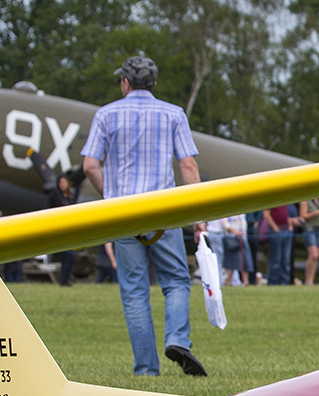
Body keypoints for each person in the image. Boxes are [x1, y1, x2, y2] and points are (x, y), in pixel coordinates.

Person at [81, 56, 206, 377]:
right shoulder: (173, 114)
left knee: (135, 291)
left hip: (124, 213)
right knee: (177, 281)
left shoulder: (105, 115)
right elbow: (188, 165)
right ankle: (178, 338)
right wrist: (199, 212)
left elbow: (90, 166)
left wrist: (110, 195)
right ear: (153, 83)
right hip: (164, 211)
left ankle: (146, 370)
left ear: (125, 82)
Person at [28, 149, 86, 286]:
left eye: (65, 182)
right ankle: (63, 281)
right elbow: (47, 211)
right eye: (60, 183)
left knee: (70, 256)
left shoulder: (71, 197)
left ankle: (64, 280)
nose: (63, 185)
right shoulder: (54, 196)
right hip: (58, 229)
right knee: (66, 254)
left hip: (68, 230)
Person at [299, 197, 319, 285]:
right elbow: (303, 216)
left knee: (316, 257)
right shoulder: (305, 201)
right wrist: (317, 212)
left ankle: (311, 280)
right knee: (313, 255)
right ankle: (307, 280)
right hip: (310, 229)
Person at [261, 204, 293, 285]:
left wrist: (289, 225)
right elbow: (266, 214)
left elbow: (285, 215)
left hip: (286, 229)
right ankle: (273, 281)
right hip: (277, 231)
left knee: (285, 259)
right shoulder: (272, 199)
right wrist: (274, 227)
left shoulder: (284, 201)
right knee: (276, 259)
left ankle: (284, 281)